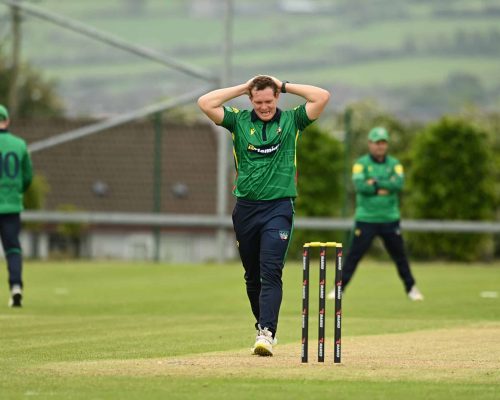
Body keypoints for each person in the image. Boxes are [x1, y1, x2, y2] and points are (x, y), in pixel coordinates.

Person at [198, 76, 330, 356]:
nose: (264, 107)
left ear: (277, 98)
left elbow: (321, 97)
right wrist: (242, 87)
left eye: (269, 101)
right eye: (258, 102)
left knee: (271, 272)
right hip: (246, 208)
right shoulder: (238, 121)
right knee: (253, 277)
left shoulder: (293, 120)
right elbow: (205, 103)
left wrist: (284, 84)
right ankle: (262, 325)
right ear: (250, 100)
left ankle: (266, 333)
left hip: (278, 208)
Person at [328, 127, 423, 301]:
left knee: (400, 256)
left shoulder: (394, 164)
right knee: (353, 256)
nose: (380, 146)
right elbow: (361, 186)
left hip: (390, 218)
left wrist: (374, 183)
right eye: (377, 143)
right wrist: (384, 185)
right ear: (370, 144)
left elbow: (398, 185)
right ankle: (338, 288)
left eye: (383, 143)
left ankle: (411, 288)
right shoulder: (361, 164)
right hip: (366, 218)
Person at [0, 104, 33, 307]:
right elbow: (28, 176)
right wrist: (16, 190)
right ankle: (16, 287)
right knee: (12, 249)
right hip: (11, 205)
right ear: (7, 121)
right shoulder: (19, 145)